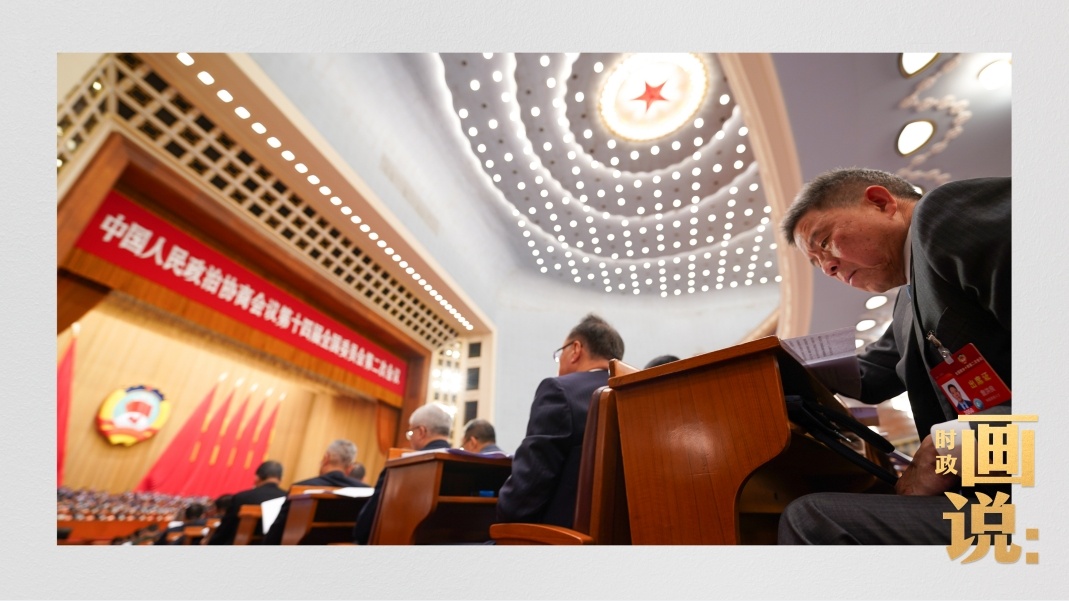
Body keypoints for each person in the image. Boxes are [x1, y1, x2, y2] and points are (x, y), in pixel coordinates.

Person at [776, 168, 1010, 544]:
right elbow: (868, 377)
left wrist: (960, 442)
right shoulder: (906, 305)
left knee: (815, 520)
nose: (829, 267)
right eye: (817, 264)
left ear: (881, 203)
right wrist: (775, 366)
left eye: (825, 242)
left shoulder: (942, 215)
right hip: (1002, 486)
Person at [496, 313, 625, 528]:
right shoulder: (637, 397)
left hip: (558, 537)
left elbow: (525, 493)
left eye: (560, 353)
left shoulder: (560, 390)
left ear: (575, 349)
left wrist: (503, 512)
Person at [352, 403, 453, 544]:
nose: (410, 439)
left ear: (421, 432)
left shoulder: (401, 467)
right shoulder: (468, 463)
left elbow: (368, 521)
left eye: (411, 433)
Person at [262, 440, 367, 544]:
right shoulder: (365, 492)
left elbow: (276, 531)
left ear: (326, 458)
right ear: (350, 468)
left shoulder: (300, 489)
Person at [209, 460, 287, 545]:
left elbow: (225, 530)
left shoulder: (241, 497)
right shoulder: (288, 498)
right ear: (280, 479)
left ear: (256, 477)